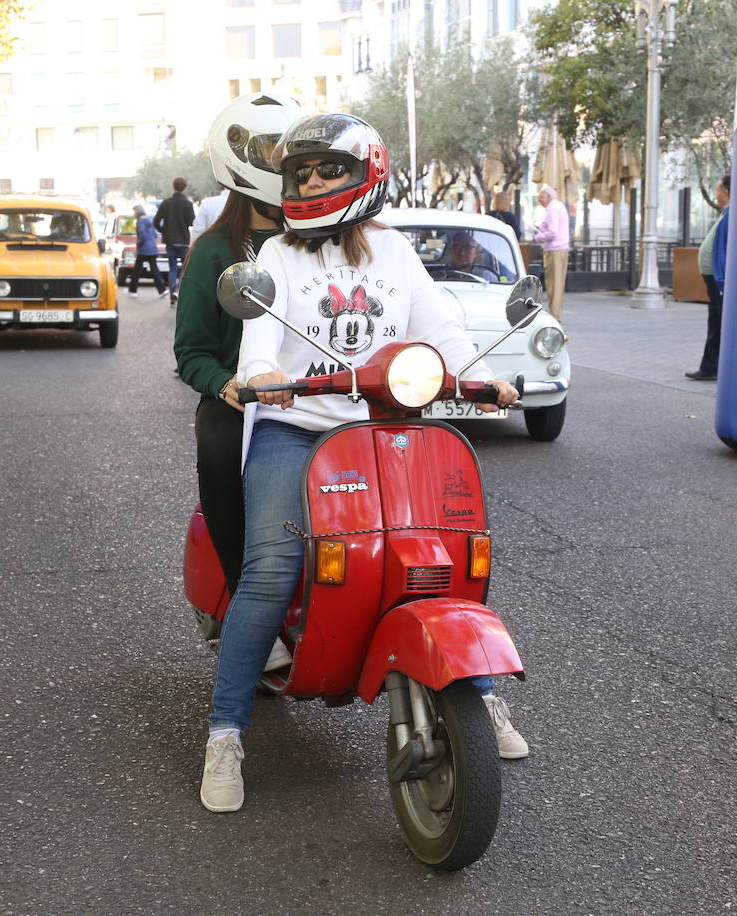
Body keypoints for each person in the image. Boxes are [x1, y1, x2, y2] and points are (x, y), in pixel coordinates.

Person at [199, 112, 528, 815]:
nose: (312, 181)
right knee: (271, 571)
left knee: (439, 556)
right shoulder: (279, 260)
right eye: (301, 173)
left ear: (365, 172)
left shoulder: (395, 255)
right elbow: (259, 336)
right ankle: (226, 732)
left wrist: (481, 376)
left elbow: (439, 332)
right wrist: (261, 374)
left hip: (388, 426)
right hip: (297, 428)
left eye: (327, 169)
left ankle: (476, 690)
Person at [174, 90, 305, 602]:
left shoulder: (319, 240)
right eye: (270, 152)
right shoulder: (212, 253)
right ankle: (244, 594)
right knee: (219, 449)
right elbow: (192, 353)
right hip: (243, 397)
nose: (283, 165)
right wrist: (224, 383)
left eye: (287, 153)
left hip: (317, 389)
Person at [686, 175, 730, 382]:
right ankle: (710, 367)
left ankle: (716, 367)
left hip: (719, 278)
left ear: (726, 192)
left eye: (717, 189)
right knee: (715, 321)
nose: (715, 193)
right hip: (714, 277)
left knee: (721, 322)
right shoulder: (727, 213)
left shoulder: (733, 214)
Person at [153, 176, 195, 304]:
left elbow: (156, 221)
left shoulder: (166, 203)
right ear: (184, 187)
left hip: (170, 241)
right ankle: (178, 290)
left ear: (174, 186)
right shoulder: (188, 203)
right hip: (183, 240)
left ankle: (172, 295)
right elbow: (191, 221)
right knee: (185, 268)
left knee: (172, 268)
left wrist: (163, 231)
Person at [533, 186, 570, 321]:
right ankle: (556, 313)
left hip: (555, 249)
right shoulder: (558, 206)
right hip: (560, 248)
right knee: (557, 283)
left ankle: (554, 314)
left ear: (548, 196)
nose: (540, 202)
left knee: (553, 283)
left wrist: (537, 238)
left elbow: (553, 232)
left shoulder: (552, 208)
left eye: (541, 198)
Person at [127, 204, 166, 298]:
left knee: (136, 270)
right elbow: (155, 235)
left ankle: (133, 290)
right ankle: (162, 290)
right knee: (154, 270)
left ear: (137, 213)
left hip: (144, 250)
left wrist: (139, 244)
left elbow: (142, 235)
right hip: (152, 248)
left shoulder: (140, 222)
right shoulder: (149, 221)